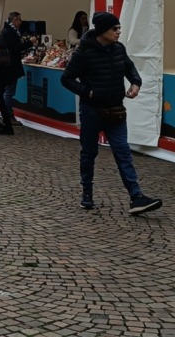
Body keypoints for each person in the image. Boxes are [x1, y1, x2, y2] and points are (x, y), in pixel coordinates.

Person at [60, 12, 163, 215]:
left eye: (119, 28)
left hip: (116, 110)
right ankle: (87, 193)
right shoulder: (84, 52)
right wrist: (87, 92)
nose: (118, 32)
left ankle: (136, 197)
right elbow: (66, 79)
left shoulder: (118, 49)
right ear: (102, 31)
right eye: (114, 29)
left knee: (123, 152)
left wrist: (136, 83)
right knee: (89, 154)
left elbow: (130, 68)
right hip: (91, 111)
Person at [0, 12, 27, 124]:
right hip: (11, 65)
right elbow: (16, 48)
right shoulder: (10, 32)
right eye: (19, 20)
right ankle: (8, 115)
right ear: (14, 20)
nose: (21, 22)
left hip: (9, 64)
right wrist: (30, 43)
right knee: (10, 91)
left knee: (8, 91)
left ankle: (6, 113)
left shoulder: (8, 31)